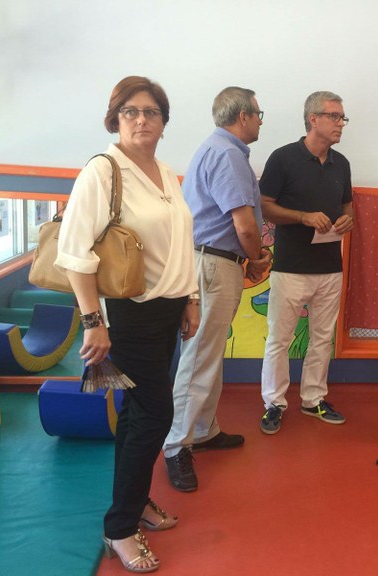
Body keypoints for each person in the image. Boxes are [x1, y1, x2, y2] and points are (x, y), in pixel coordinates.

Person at [56, 76, 198, 573]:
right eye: (131, 111)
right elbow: (74, 252)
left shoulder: (164, 171)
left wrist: (190, 297)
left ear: (163, 121)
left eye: (151, 111)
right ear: (115, 119)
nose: (141, 120)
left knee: (138, 414)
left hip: (168, 309)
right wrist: (93, 321)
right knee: (156, 413)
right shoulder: (103, 170)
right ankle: (118, 527)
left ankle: (134, 502)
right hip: (129, 313)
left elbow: (181, 243)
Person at [163, 87, 272, 492]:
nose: (260, 121)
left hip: (211, 261)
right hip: (213, 263)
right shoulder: (228, 155)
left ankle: (203, 430)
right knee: (198, 357)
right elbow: (244, 225)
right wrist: (256, 258)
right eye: (258, 114)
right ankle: (176, 445)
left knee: (207, 353)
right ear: (242, 116)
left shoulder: (216, 148)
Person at [258, 91, 354, 434]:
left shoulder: (342, 163)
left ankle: (313, 399)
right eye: (335, 116)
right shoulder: (283, 158)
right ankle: (274, 403)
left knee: (322, 338)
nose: (341, 123)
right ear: (313, 119)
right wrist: (303, 216)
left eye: (342, 117)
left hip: (330, 267)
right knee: (279, 339)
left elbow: (347, 206)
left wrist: (347, 220)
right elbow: (264, 206)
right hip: (291, 267)